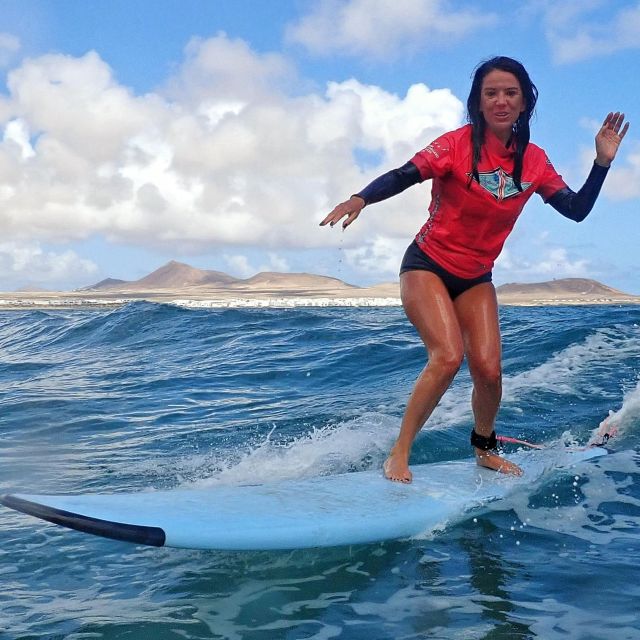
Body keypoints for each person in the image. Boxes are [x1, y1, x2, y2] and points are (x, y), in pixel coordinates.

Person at [320, 56, 629, 483]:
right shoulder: (454, 145)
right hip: (427, 264)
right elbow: (404, 174)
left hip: (476, 277)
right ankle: (399, 452)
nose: (501, 101)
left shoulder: (535, 162)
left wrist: (602, 163)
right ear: (478, 102)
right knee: (447, 356)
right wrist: (361, 198)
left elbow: (575, 210)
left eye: (510, 93)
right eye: (491, 93)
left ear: (524, 103)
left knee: (488, 370)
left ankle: (484, 448)